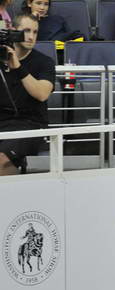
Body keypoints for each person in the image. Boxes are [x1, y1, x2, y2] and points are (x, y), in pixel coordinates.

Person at [0, 13, 55, 175]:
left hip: (32, 124)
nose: (31, 37)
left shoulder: (44, 62)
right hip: (2, 122)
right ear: (13, 31)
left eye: (35, 32)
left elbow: (42, 94)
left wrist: (18, 67)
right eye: (26, 31)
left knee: (2, 159)